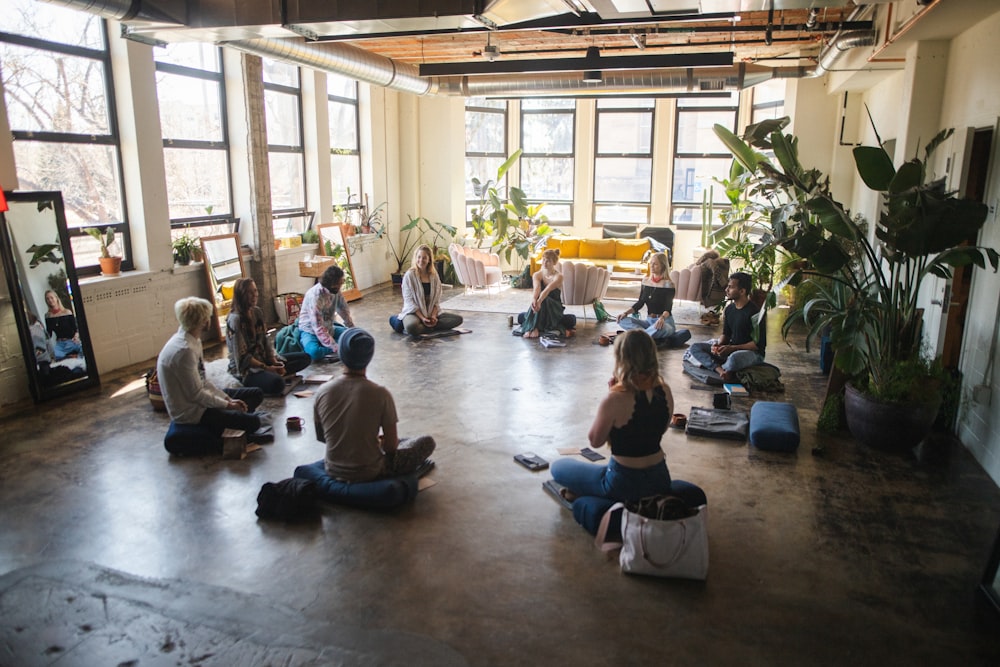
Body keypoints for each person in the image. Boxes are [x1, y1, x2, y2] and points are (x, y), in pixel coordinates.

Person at [314, 327, 435, 482]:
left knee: (401, 441)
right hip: (371, 471)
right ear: (369, 357)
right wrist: (379, 442)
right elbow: (390, 448)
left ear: (341, 354)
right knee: (426, 442)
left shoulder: (323, 391)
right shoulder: (380, 394)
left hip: (332, 468)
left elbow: (322, 437)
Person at [157, 296, 265, 439]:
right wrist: (228, 406)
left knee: (255, 393)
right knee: (254, 422)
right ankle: (232, 420)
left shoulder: (193, 340)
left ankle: (234, 417)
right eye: (208, 316)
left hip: (201, 400)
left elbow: (204, 380)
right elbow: (197, 395)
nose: (210, 318)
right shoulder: (184, 351)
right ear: (202, 321)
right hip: (193, 412)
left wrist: (227, 399)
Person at [227, 277, 312, 395]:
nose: (254, 295)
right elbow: (242, 357)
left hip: (264, 360)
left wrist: (273, 361)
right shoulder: (235, 320)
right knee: (278, 384)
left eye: (255, 291)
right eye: (249, 292)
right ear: (241, 295)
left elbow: (265, 341)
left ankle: (272, 375)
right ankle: (270, 377)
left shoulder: (257, 312)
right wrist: (266, 368)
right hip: (247, 369)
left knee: (305, 357)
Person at [686, 271, 766, 382]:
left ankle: (720, 367)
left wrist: (732, 348)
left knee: (734, 358)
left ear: (742, 291)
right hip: (731, 349)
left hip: (752, 354)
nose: (726, 290)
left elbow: (757, 345)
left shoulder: (755, 313)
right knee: (695, 347)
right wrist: (718, 345)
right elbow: (726, 334)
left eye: (730, 287)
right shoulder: (729, 309)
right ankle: (721, 370)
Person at [396, 244, 463, 335]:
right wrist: (423, 318)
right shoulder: (409, 275)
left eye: (424, 258)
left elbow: (436, 301)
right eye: (419, 257)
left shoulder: (434, 276)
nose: (421, 260)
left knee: (458, 319)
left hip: (430, 312)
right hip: (414, 313)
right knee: (411, 327)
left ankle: (426, 326)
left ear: (429, 260)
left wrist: (433, 316)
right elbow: (409, 302)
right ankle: (428, 327)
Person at [298, 265, 355, 362]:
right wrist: (335, 347)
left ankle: (338, 346)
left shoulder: (336, 291)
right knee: (314, 352)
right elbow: (318, 327)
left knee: (354, 338)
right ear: (332, 283)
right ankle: (340, 347)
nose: (341, 284)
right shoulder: (315, 296)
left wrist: (352, 329)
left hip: (329, 328)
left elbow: (343, 310)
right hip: (310, 330)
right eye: (340, 282)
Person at [616, 252, 677, 342]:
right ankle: (647, 335)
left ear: (663, 266)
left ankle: (640, 336)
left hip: (664, 322)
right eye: (651, 263)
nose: (651, 266)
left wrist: (662, 318)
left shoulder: (668, 284)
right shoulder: (645, 281)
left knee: (663, 328)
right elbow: (640, 303)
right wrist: (625, 313)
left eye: (655, 264)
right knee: (622, 320)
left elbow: (668, 308)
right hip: (649, 322)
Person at [514, 248, 569, 339]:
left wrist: (539, 301)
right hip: (541, 306)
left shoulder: (559, 276)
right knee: (523, 314)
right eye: (543, 260)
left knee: (544, 299)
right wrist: (534, 300)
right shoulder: (537, 274)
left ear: (554, 263)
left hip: (554, 307)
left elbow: (547, 290)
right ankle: (535, 326)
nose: (544, 262)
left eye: (548, 261)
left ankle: (534, 327)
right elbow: (537, 288)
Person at [44, 290, 83, 360]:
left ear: (56, 298)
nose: (50, 300)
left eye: (51, 298)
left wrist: (76, 336)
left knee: (83, 351)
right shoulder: (48, 316)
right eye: (47, 299)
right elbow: (48, 333)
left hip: (71, 340)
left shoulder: (67, 312)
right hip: (60, 343)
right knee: (57, 357)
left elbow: (75, 328)